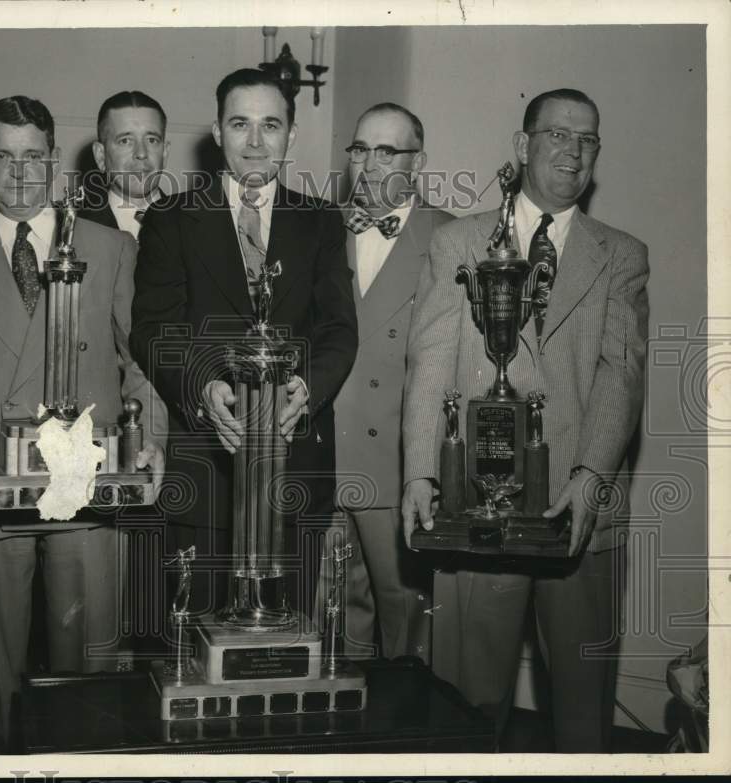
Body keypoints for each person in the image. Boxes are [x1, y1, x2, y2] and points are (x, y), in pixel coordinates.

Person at [0, 95, 167, 752]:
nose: (19, 174)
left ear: (54, 161)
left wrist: (152, 437)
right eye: (2, 156)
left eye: (32, 157)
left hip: (91, 480)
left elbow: (141, 359)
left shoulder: (109, 249)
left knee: (91, 684)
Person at [401, 88, 649, 752]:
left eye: (587, 139)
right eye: (558, 135)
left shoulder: (621, 254)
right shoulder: (457, 241)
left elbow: (620, 375)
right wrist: (420, 477)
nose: (573, 150)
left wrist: (592, 477)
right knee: (464, 712)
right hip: (470, 508)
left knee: (582, 719)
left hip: (580, 513)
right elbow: (428, 365)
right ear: (523, 145)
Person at [130, 68, 358, 622]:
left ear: (291, 136)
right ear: (216, 132)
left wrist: (309, 389)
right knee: (196, 646)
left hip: (295, 472)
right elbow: (154, 328)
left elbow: (337, 329)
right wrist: (204, 389)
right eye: (240, 124)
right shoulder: (172, 217)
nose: (255, 142)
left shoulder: (322, 220)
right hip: (207, 471)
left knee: (289, 649)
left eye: (270, 125)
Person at [333, 103, 454, 661]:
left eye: (388, 151)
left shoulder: (452, 238)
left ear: (419, 161)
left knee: (405, 625)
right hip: (324, 460)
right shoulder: (319, 230)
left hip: (398, 468)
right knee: (332, 622)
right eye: (361, 150)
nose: (371, 164)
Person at [80, 90, 169, 240]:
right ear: (100, 156)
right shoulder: (73, 229)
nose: (141, 153)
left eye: (152, 140)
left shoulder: (196, 228)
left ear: (165, 153)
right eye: (125, 141)